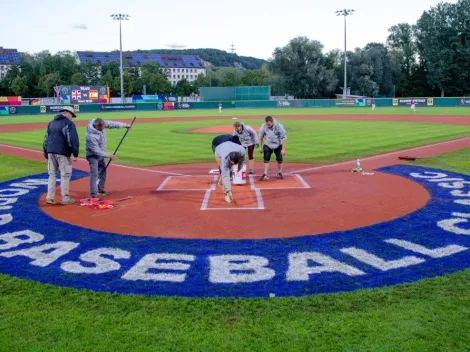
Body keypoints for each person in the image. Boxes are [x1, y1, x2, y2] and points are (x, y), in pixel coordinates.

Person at [85, 118, 131, 198]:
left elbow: (112, 124)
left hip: (101, 154)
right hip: (92, 155)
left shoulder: (101, 123)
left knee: (103, 170)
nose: (103, 129)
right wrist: (109, 155)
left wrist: (125, 125)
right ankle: (93, 194)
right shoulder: (91, 136)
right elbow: (96, 151)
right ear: (96, 126)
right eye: (100, 128)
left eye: (103, 127)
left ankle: (100, 189)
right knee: (95, 173)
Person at [43, 106, 80, 205]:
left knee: (52, 175)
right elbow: (72, 140)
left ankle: (49, 197)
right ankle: (65, 198)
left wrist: (46, 154)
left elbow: (45, 140)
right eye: (72, 115)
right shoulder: (69, 123)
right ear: (68, 113)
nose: (72, 117)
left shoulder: (51, 123)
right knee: (65, 175)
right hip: (62, 152)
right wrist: (75, 153)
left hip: (50, 151)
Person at [259, 116, 287, 181]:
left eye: (268, 124)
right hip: (268, 144)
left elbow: (284, 137)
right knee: (266, 158)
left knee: (279, 158)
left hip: (278, 144)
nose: (267, 125)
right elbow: (261, 136)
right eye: (266, 124)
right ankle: (265, 174)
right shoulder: (263, 126)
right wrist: (260, 147)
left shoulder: (279, 126)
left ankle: (279, 172)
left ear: (272, 122)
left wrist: (283, 149)